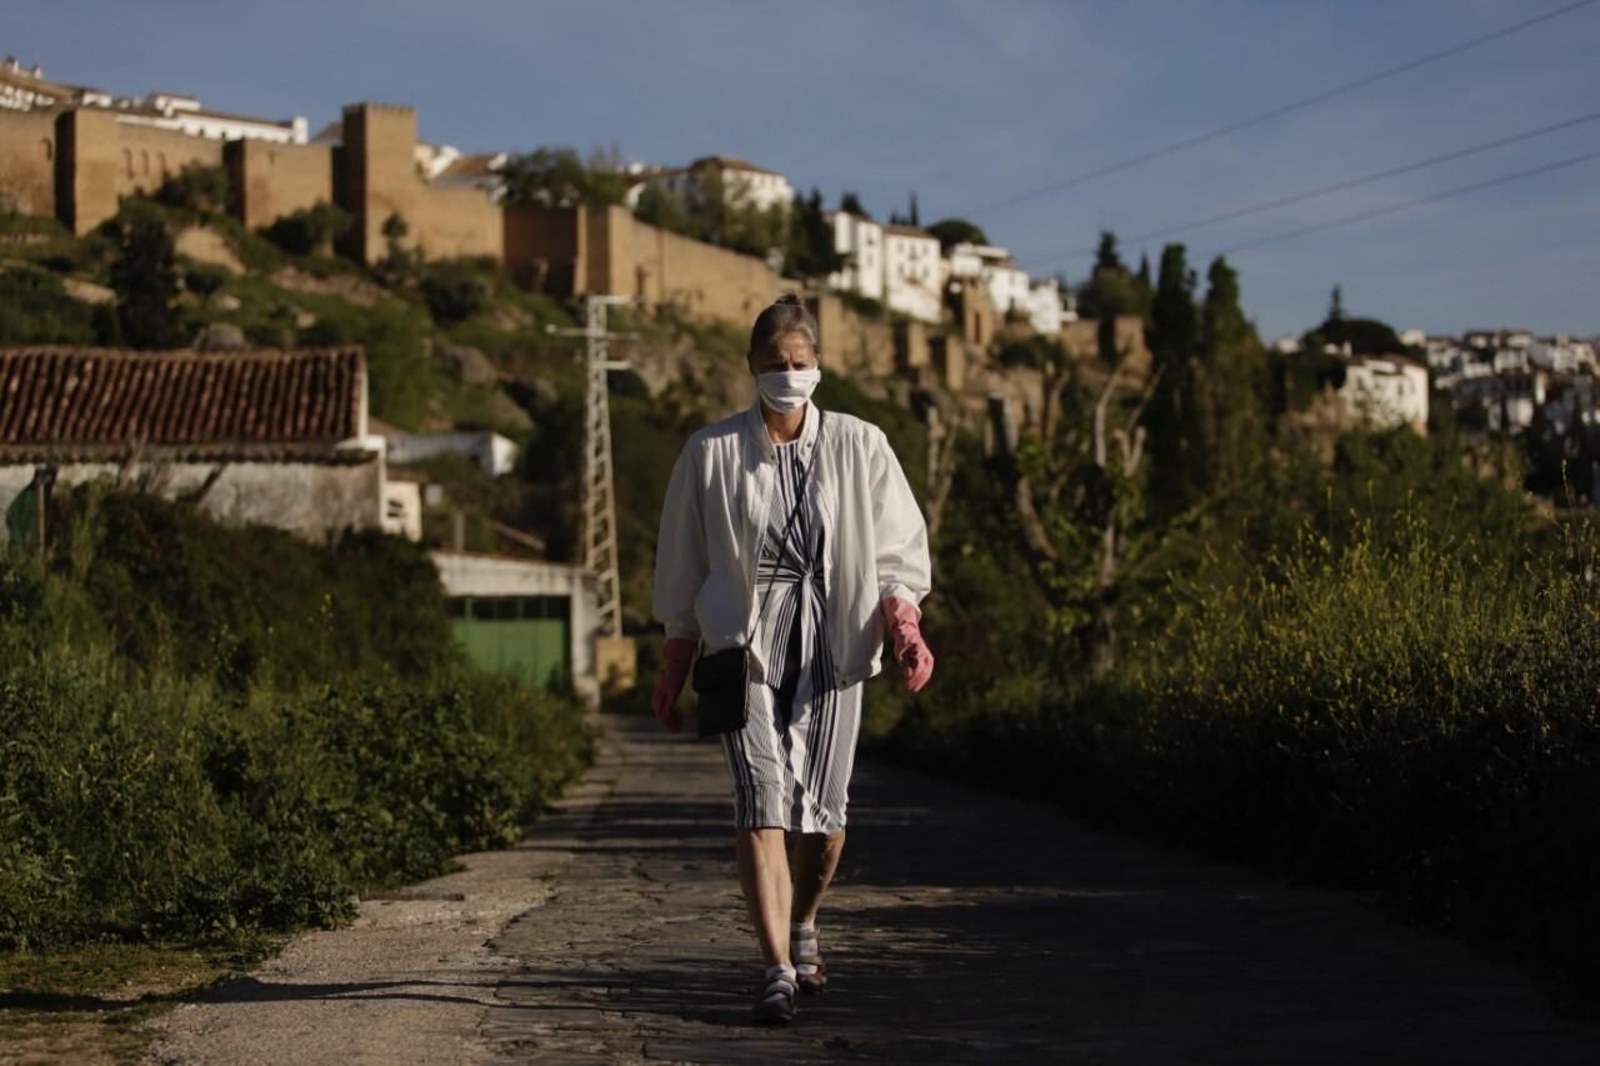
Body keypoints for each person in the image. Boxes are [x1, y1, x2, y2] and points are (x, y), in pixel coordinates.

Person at [650, 293, 934, 1024]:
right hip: (739, 650)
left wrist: (903, 622)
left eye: (799, 364)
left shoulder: (860, 444)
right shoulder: (710, 453)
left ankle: (805, 918)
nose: (787, 374)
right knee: (760, 804)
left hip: (835, 648)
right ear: (751, 367)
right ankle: (775, 964)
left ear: (819, 368)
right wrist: (674, 655)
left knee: (826, 820)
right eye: (774, 364)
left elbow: (898, 548)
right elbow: (683, 562)